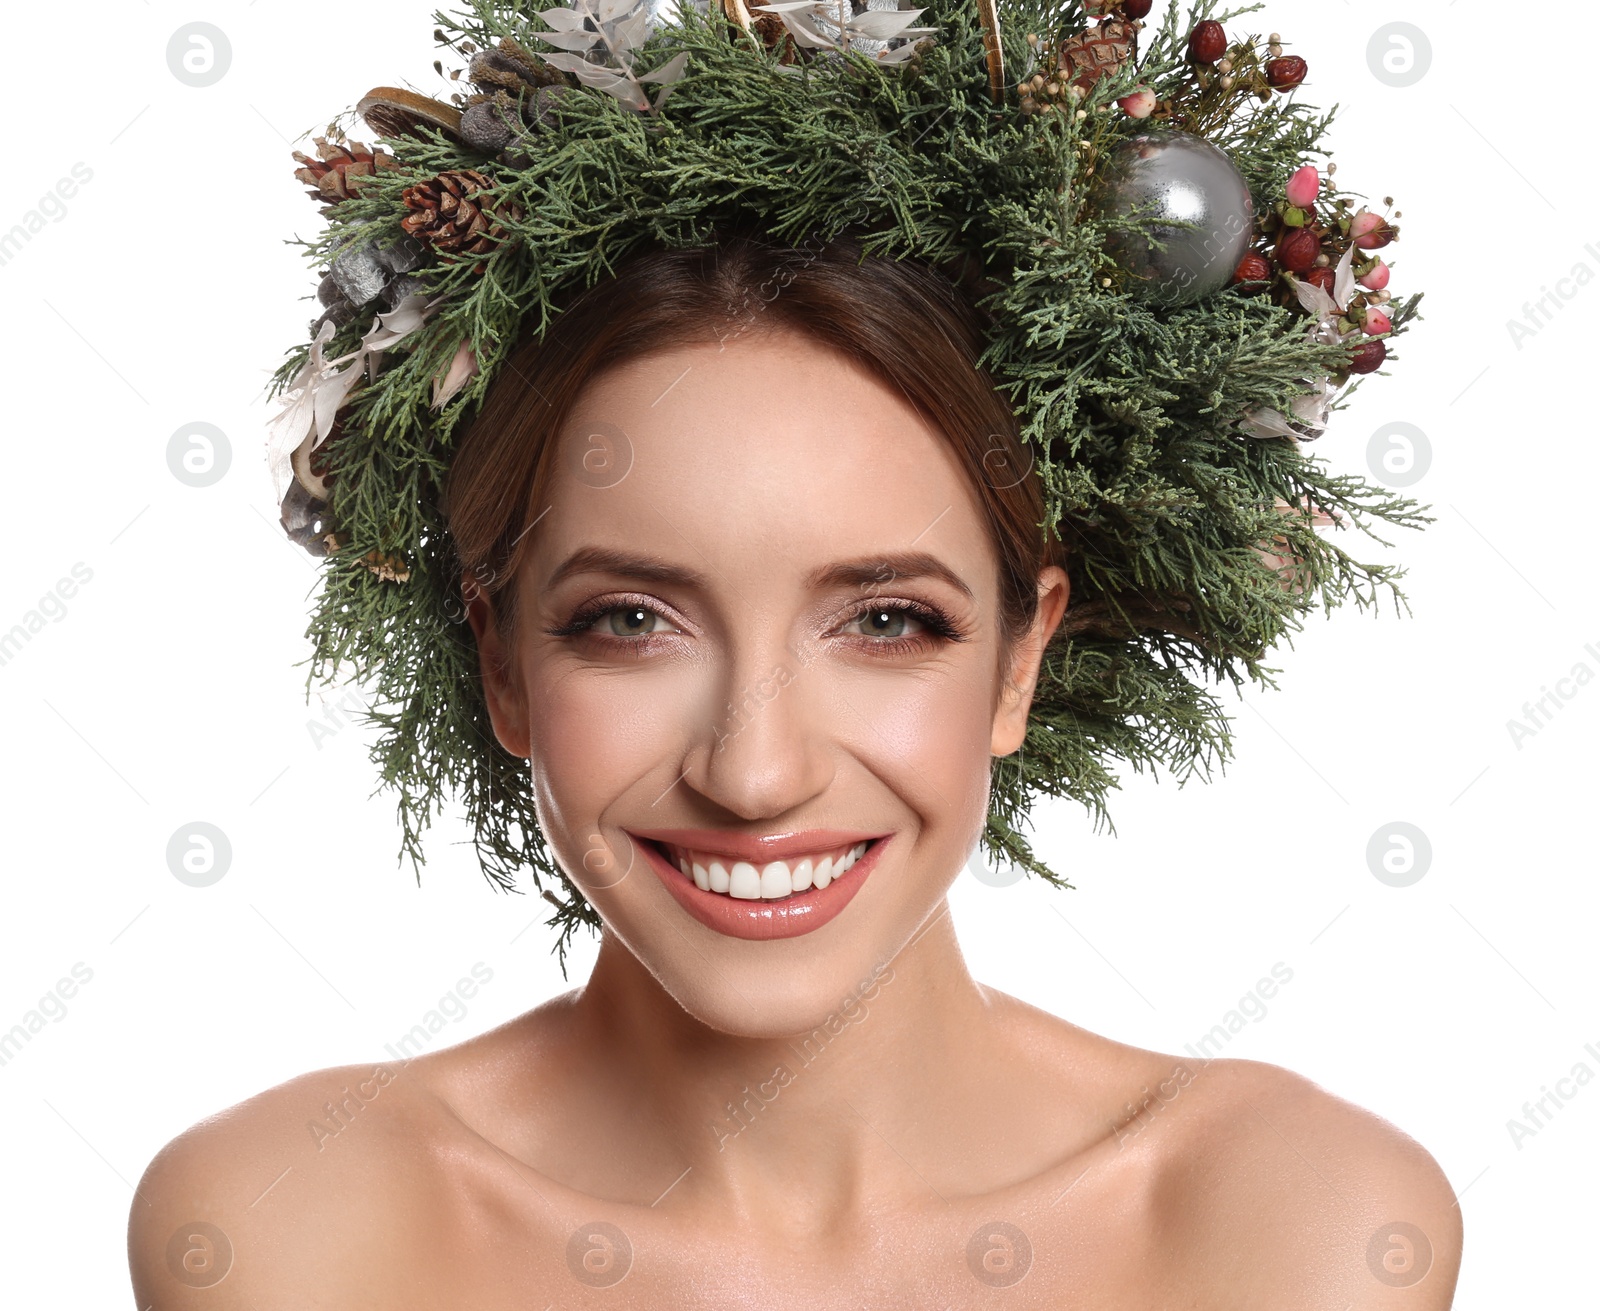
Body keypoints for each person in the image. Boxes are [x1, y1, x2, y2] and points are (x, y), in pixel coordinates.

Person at [129, 2, 1459, 1304]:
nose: (755, 775)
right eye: (629, 622)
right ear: (503, 665)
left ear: (1017, 660)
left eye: (887, 621)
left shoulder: (1294, 1229)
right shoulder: (287, 1232)